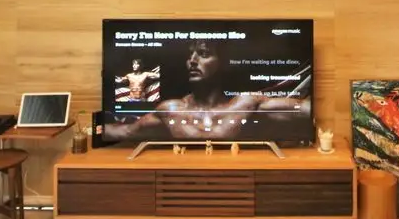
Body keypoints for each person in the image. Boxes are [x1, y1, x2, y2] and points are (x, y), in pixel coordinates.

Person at [106, 39, 310, 142]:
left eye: (203, 54)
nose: (193, 61)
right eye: (190, 55)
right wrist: (95, 128)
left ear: (222, 62)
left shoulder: (246, 105)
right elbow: (125, 131)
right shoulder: (171, 110)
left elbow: (305, 109)